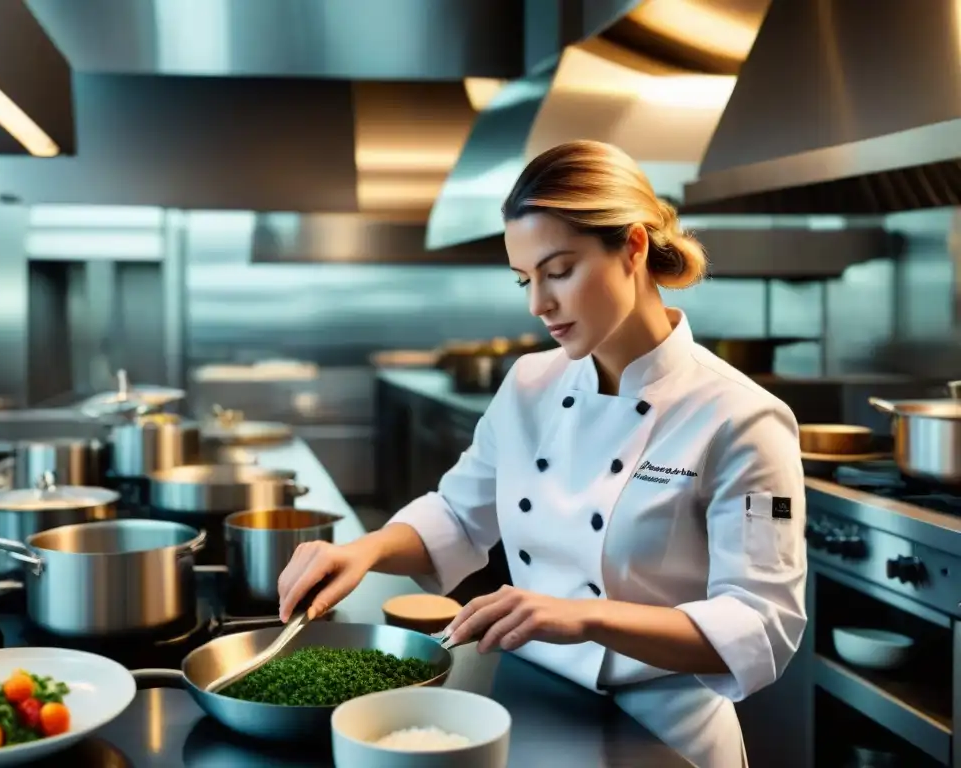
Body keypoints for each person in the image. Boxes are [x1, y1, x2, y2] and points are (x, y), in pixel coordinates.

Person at [277, 140, 807, 767]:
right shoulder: (530, 383)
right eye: (526, 279)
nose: (538, 305)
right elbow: (455, 514)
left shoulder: (740, 417)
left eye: (559, 271)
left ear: (633, 247)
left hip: (664, 736)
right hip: (535, 708)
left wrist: (586, 617)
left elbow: (760, 625)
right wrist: (363, 550)